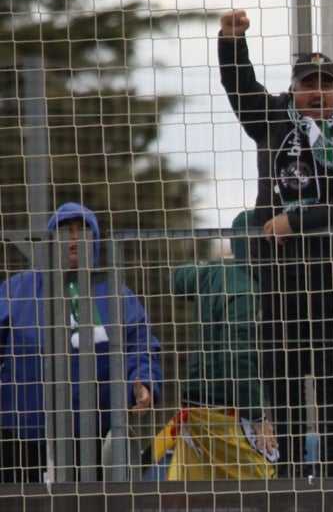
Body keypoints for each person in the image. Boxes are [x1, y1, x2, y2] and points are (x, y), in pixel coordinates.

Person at [217, 9, 333, 478]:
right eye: (308, 84)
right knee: (281, 378)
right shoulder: (271, 118)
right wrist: (232, 42)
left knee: (331, 380)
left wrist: (297, 221)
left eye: (325, 84)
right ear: (293, 89)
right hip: (279, 278)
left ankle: (330, 473)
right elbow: (240, 90)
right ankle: (287, 469)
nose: (316, 93)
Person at [0, 202, 161, 482]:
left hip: (95, 432)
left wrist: (143, 381)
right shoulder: (17, 290)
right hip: (22, 434)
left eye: (82, 230)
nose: (74, 238)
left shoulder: (116, 294)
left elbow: (141, 344)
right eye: (66, 230)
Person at [166, 210, 278, 480]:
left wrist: (218, 267)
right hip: (227, 412)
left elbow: (178, 279)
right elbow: (238, 358)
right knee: (265, 482)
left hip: (195, 406)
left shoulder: (217, 273)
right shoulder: (247, 292)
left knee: (195, 499)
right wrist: (257, 417)